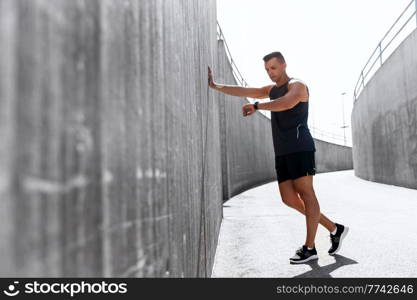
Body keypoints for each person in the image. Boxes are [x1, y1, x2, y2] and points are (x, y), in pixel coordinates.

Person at [208, 52, 348, 264]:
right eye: (267, 69)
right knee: (288, 199)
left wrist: (257, 106)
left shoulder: (298, 85)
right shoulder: (271, 90)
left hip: (300, 147)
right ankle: (334, 228)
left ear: (283, 65)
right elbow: (246, 90)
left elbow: (286, 103)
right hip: (282, 151)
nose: (270, 73)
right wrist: (217, 86)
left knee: (306, 194)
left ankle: (310, 247)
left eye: (273, 68)